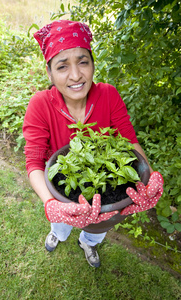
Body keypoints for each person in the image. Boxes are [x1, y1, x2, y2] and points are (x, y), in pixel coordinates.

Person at [23, 20, 164, 268]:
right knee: (61, 222)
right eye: (62, 66)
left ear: (93, 64)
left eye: (82, 62)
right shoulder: (40, 104)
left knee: (99, 225)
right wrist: (50, 203)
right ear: (50, 73)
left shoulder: (108, 94)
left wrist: (147, 176)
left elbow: (129, 141)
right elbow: (34, 162)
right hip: (62, 191)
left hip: (104, 199)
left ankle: (88, 242)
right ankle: (59, 234)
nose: (76, 75)